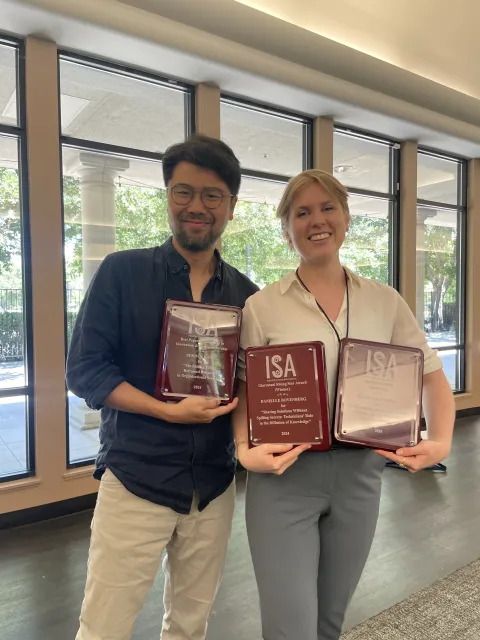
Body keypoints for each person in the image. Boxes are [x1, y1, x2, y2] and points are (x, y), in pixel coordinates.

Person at [233, 169, 455, 640]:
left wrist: (439, 442)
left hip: (361, 478)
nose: (317, 220)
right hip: (284, 480)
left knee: (329, 621)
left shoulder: (384, 301)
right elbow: (248, 391)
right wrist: (241, 447)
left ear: (347, 218)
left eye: (327, 207)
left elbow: (431, 376)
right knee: (290, 626)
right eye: (302, 212)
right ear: (286, 228)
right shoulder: (262, 306)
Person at [66, 134, 258, 640]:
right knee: (104, 626)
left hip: (213, 488)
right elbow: (86, 370)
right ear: (168, 198)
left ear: (232, 207)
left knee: (190, 626)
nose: (196, 206)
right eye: (183, 192)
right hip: (136, 480)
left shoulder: (246, 295)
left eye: (212, 195)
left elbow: (250, 384)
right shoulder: (121, 273)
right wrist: (165, 410)